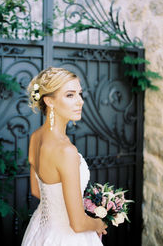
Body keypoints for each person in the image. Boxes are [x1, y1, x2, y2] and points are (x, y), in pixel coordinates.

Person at [21, 66, 107, 246]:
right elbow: (77, 224)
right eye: (70, 95)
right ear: (49, 101)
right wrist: (98, 223)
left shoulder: (36, 137)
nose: (80, 101)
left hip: (40, 232)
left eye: (80, 94)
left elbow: (37, 191)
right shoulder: (66, 151)